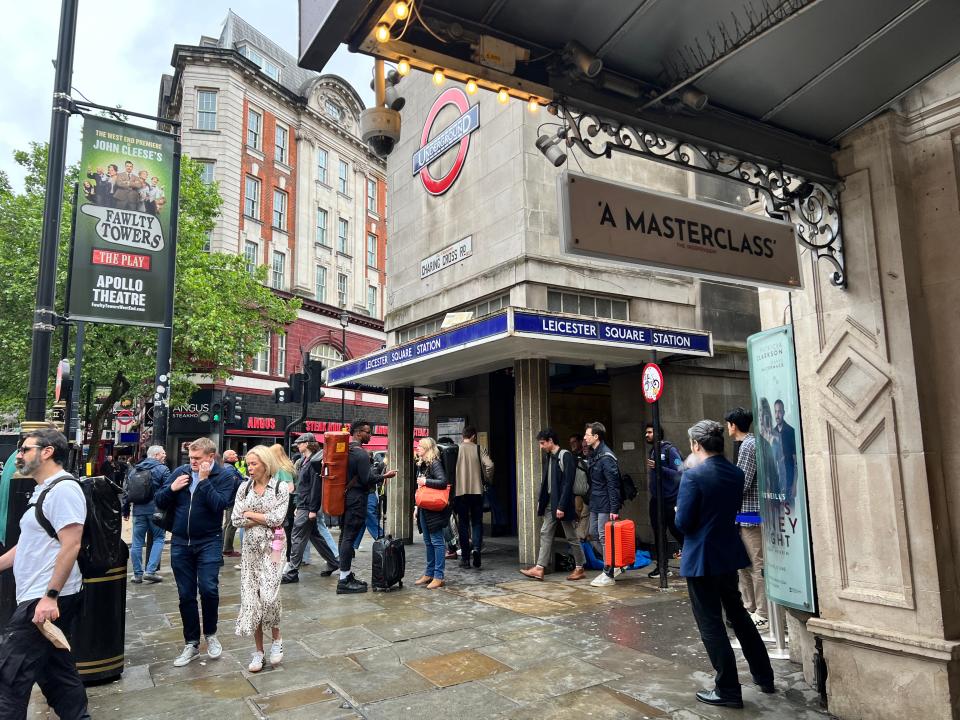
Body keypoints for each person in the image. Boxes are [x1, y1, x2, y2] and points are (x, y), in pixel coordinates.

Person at [675, 420, 774, 709]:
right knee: (739, 616)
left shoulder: (693, 476)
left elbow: (683, 523)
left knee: (710, 624)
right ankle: (764, 676)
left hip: (702, 558)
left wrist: (680, 509)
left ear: (696, 445)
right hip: (728, 553)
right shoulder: (735, 473)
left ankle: (728, 689)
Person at [0, 429, 91, 719]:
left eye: (25, 449)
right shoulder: (45, 489)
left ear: (47, 451)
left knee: (9, 677)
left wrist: (50, 597)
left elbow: (71, 544)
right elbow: (29, 544)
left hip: (45, 598)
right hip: (38, 596)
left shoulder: (64, 489)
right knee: (57, 674)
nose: (19, 456)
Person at [154, 437, 237, 667]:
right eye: (190, 457)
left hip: (209, 540)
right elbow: (159, 499)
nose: (192, 462)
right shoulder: (181, 471)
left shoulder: (224, 476)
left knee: (209, 589)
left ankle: (210, 634)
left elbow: (220, 505)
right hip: (180, 541)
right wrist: (172, 488)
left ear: (211, 457)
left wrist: (204, 481)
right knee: (185, 594)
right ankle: (191, 642)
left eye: (197, 458)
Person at [231, 445, 289, 673]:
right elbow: (236, 519)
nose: (249, 467)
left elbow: (278, 518)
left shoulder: (280, 488)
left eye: (254, 463)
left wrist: (251, 514)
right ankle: (259, 651)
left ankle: (276, 638)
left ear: (266, 464)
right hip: (250, 550)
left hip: (274, 547)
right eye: (248, 463)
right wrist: (263, 518)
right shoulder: (244, 488)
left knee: (269, 594)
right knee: (251, 599)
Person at [520, 428, 586, 581]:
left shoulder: (566, 456)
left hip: (562, 504)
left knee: (571, 536)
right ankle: (539, 567)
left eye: (542, 443)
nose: (541, 446)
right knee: (545, 533)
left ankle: (580, 567)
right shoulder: (550, 457)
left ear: (550, 441)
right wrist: (541, 502)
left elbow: (568, 484)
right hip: (551, 503)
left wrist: (562, 506)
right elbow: (547, 483)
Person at [339, 420, 396, 594]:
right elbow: (367, 479)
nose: (370, 435)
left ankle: (346, 575)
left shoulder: (345, 451)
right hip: (356, 500)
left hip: (345, 498)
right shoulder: (361, 454)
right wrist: (385, 476)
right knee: (348, 538)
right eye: (367, 432)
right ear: (357, 433)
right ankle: (343, 580)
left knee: (345, 537)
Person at [725, 407, 767, 629]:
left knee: (755, 564)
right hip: (744, 515)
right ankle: (749, 607)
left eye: (728, 424)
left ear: (733, 425)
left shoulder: (748, 446)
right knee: (744, 564)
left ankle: (761, 611)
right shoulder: (748, 444)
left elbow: (743, 482)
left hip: (751, 515)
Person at [282, 434, 339, 583]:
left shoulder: (313, 461)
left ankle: (292, 572)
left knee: (297, 537)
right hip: (305, 505)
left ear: (306, 443)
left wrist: (312, 509)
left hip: (307, 506)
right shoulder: (306, 461)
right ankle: (333, 562)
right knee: (315, 536)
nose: (297, 446)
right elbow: (304, 487)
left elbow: (315, 487)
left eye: (299, 443)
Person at [123, 445, 170, 584]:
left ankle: (137, 574)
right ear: (155, 455)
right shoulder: (163, 469)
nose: (165, 455)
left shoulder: (135, 469)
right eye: (163, 453)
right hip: (157, 510)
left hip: (138, 511)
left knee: (137, 541)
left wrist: (125, 510)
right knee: (159, 538)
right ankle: (150, 571)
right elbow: (168, 490)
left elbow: (127, 491)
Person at [644, 422, 685, 578]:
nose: (646, 435)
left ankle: (691, 560)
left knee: (677, 531)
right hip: (656, 499)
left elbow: (680, 471)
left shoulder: (670, 450)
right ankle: (662, 567)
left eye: (649, 432)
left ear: (658, 433)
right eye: (646, 432)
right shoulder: (653, 451)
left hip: (670, 500)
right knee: (658, 532)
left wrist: (659, 468)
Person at [584, 422, 621, 587]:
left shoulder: (606, 457)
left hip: (605, 502)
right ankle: (614, 562)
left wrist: (614, 508)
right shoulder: (594, 454)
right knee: (593, 534)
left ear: (596, 437)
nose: (585, 438)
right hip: (595, 501)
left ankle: (609, 571)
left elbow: (613, 485)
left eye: (587, 435)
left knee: (604, 536)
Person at [453, 426, 494, 570]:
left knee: (463, 524)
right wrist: (487, 479)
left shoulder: (456, 449)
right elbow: (489, 465)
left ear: (463, 436)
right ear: (474, 436)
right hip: (477, 492)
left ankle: (465, 558)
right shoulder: (479, 449)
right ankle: (476, 548)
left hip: (460, 493)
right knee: (477, 522)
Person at [413, 437, 450, 589]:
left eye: (420, 447)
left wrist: (425, 481)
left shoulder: (435, 463)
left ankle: (438, 576)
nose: (417, 449)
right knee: (428, 542)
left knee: (437, 542)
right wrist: (416, 507)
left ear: (428, 449)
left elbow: (443, 482)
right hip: (424, 508)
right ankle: (429, 573)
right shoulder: (424, 465)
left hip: (434, 509)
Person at [269, 444, 297, 560]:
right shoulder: (284, 466)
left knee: (283, 532)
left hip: (285, 505)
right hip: (287, 505)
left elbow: (290, 488)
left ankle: (284, 558)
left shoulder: (282, 468)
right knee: (286, 532)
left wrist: (277, 501)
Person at [221, 449, 245, 558]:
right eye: (233, 454)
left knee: (227, 524)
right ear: (228, 457)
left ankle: (223, 547)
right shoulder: (229, 469)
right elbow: (235, 483)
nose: (236, 455)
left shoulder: (228, 467)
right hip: (233, 500)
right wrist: (245, 482)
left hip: (230, 499)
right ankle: (227, 549)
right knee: (232, 524)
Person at [773, 400, 797, 505]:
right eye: (775, 412)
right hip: (776, 485)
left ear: (784, 412)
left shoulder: (791, 432)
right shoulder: (772, 433)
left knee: (791, 515)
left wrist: (794, 485)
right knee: (779, 517)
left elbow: (796, 462)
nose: (777, 415)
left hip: (789, 484)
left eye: (779, 412)